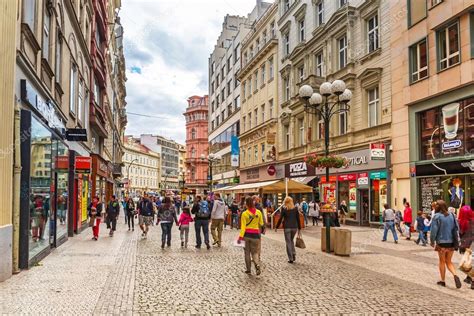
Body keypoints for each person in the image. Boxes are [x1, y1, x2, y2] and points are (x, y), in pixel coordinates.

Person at [430, 200, 462, 288]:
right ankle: (455, 275)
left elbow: (433, 231)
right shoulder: (452, 215)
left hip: (441, 243)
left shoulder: (437, 217)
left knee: (442, 261)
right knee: (449, 261)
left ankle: (442, 280)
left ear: (438, 207)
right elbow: (457, 228)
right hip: (451, 242)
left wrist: (432, 241)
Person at [238, 196, 264, 275]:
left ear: (246, 204)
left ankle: (248, 269)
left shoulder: (244, 213)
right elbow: (261, 223)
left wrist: (240, 237)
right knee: (255, 252)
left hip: (246, 235)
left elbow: (243, 227)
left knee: (247, 253)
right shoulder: (258, 212)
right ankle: (257, 264)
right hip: (256, 235)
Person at [275, 197, 302, 263]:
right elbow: (298, 219)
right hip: (294, 227)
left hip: (287, 227)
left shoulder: (284, 209)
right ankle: (293, 253)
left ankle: (291, 258)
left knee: (288, 242)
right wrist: (299, 228)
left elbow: (280, 218)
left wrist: (276, 227)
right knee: (291, 240)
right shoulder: (295, 209)